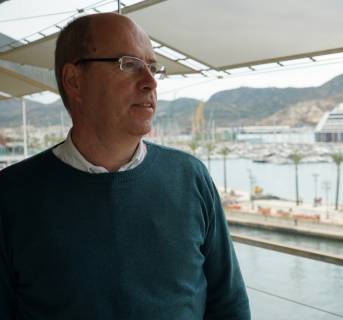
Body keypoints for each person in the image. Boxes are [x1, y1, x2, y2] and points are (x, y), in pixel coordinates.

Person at [0, 13, 250, 319]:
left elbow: (229, 305)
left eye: (153, 67)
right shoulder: (11, 196)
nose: (150, 81)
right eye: (129, 64)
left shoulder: (190, 177)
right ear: (74, 81)